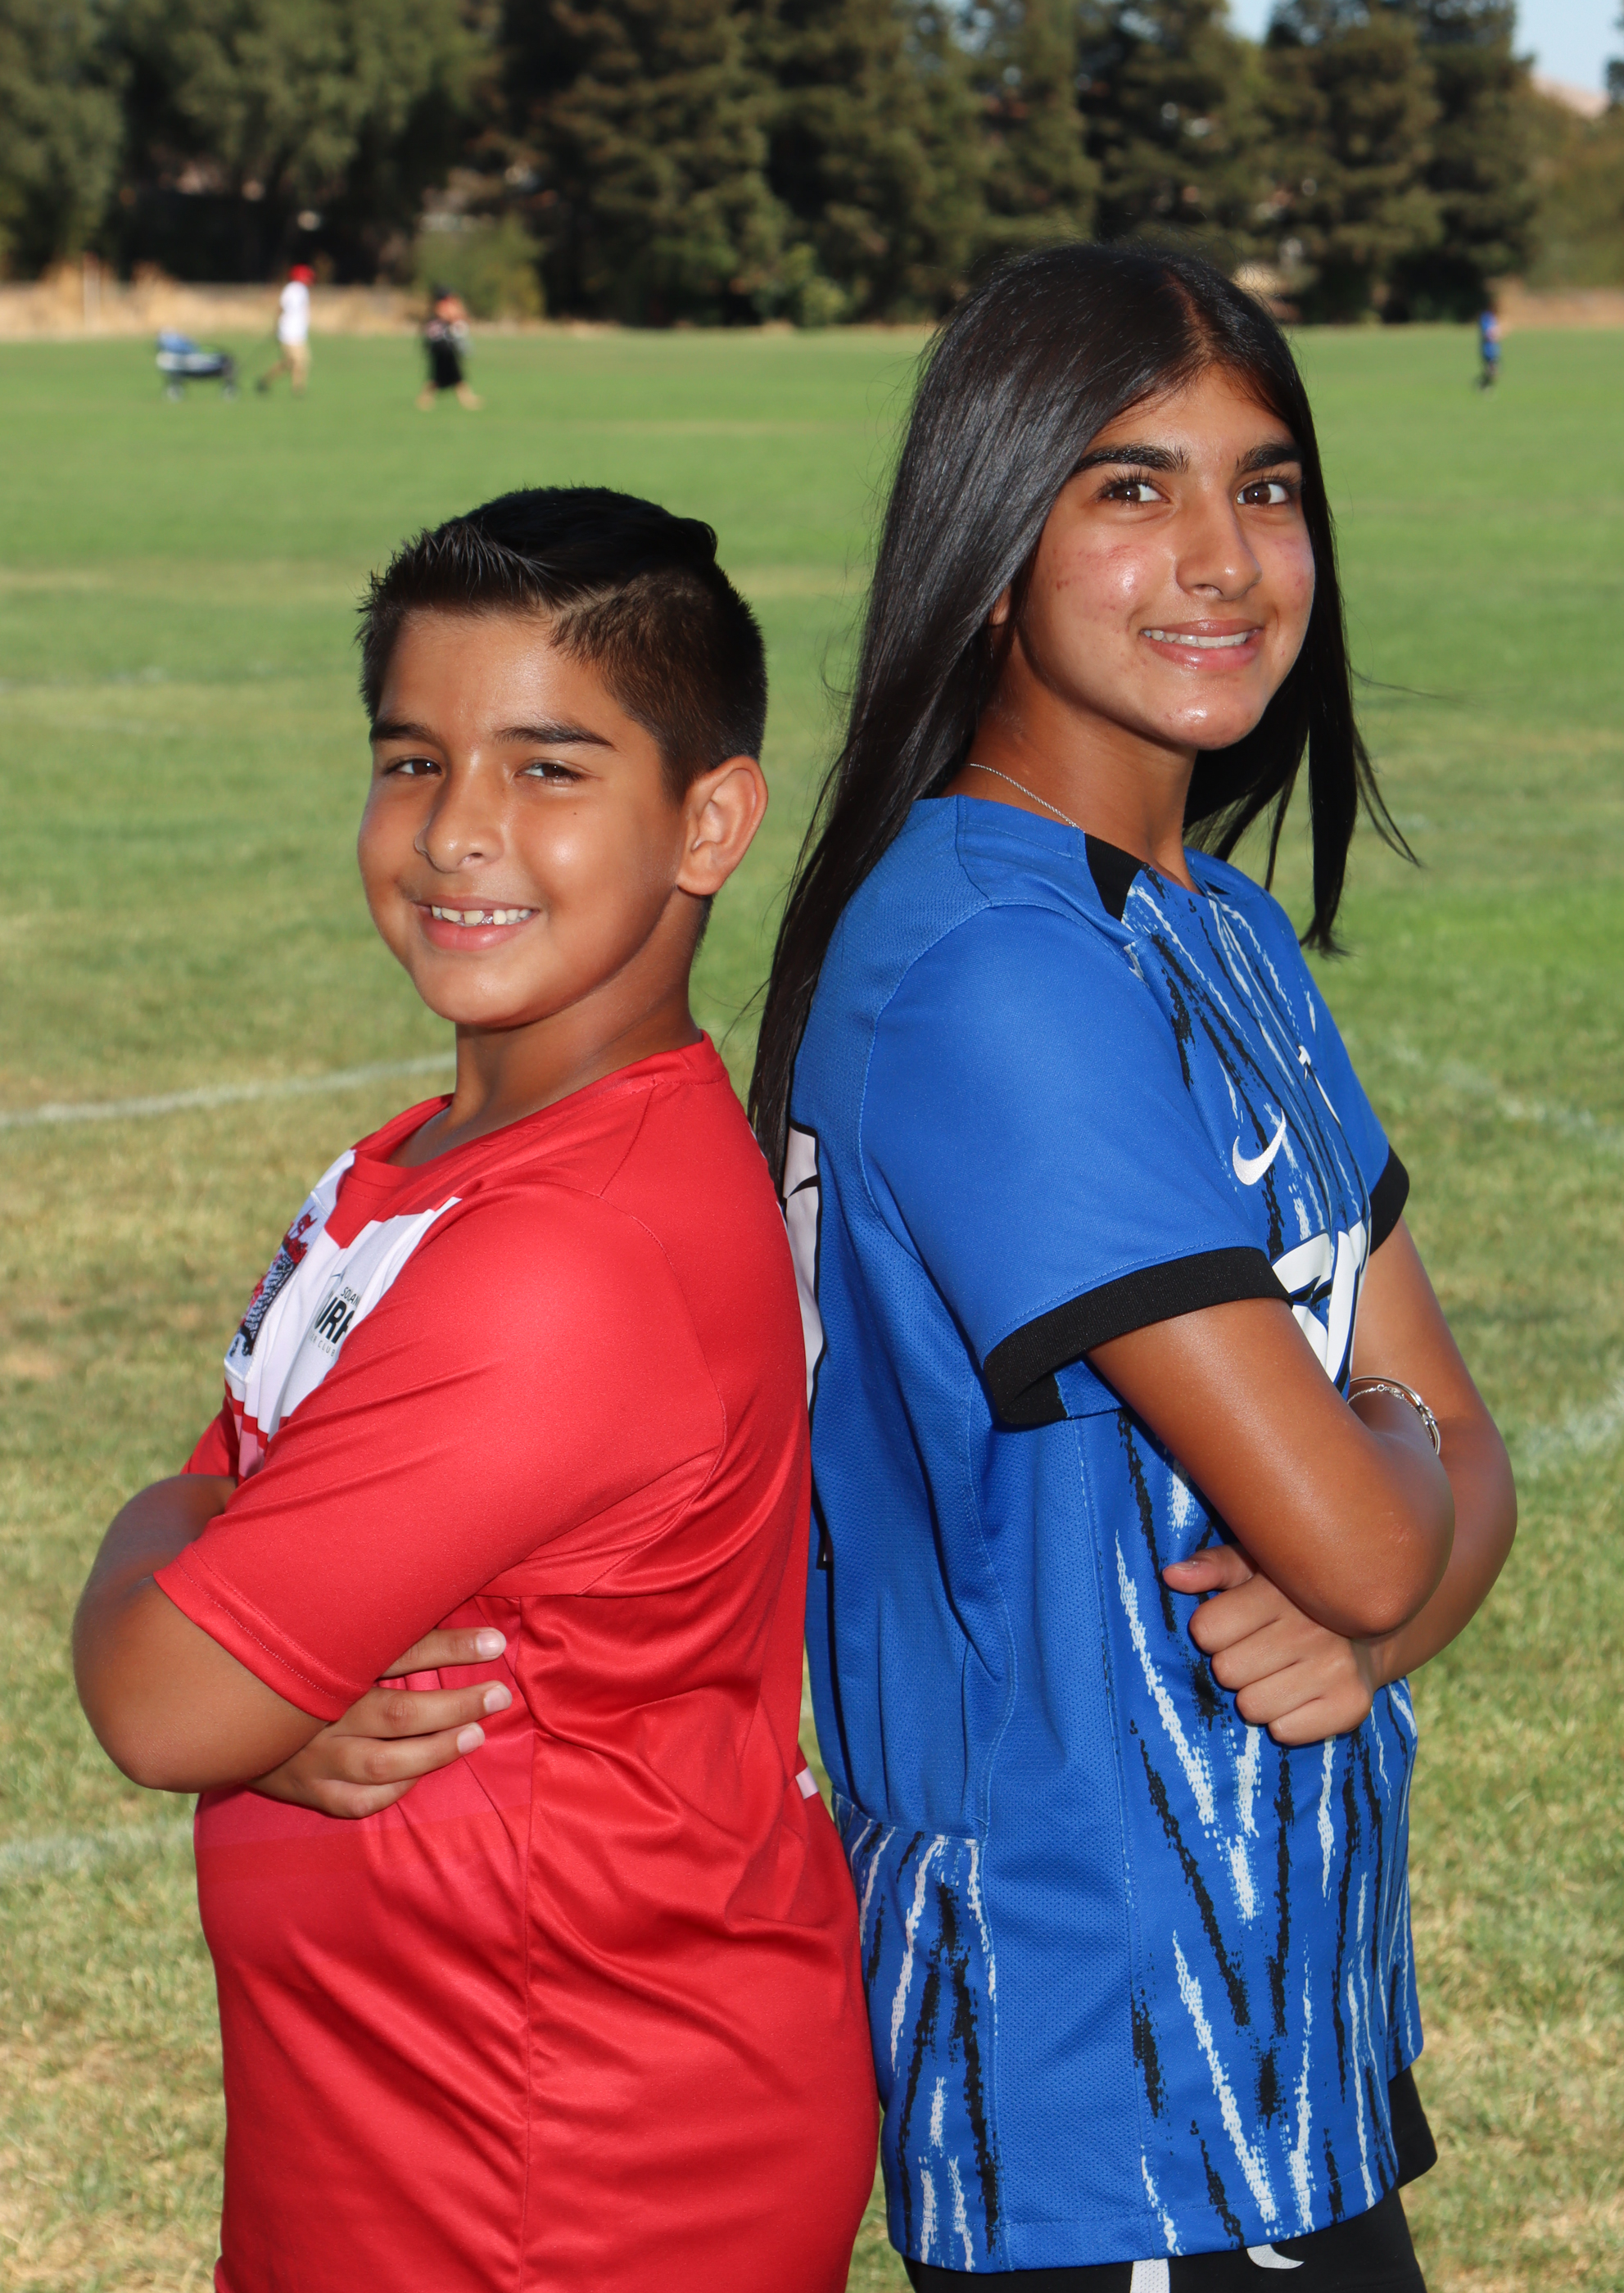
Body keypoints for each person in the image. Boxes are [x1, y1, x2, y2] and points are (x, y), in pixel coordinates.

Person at [749, 246, 1517, 2289]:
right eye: (1127, 487)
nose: (1221, 559)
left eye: (1265, 487)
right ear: (991, 544)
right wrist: (1387, 1502)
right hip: (1102, 2062)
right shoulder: (992, 966)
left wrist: (1378, 1592)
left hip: (1275, 2039)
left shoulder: (1208, 927)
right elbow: (1381, 1512)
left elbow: (1446, 1477)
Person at [73, 487, 880, 2293]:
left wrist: (178, 1585)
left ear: (710, 820)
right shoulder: (424, 1164)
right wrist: (218, 1603)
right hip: (408, 2107)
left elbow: (163, 1690)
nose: (457, 831)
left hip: (563, 2158)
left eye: (549, 768)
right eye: (412, 760)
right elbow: (223, 1540)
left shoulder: (570, 1252)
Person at [419, 284, 482, 411]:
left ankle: (426, 400)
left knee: (445, 374)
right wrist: (458, 309)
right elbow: (454, 318)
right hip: (443, 346)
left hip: (442, 346)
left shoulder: (435, 308)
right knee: (449, 374)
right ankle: (466, 400)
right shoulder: (442, 307)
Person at [256, 263, 313, 395]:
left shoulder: (303, 291)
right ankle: (298, 390)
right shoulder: (292, 290)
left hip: (298, 333)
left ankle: (265, 381)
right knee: (300, 361)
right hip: (289, 332)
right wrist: (277, 325)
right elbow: (281, 308)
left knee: (289, 363)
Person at [1477, 302, 1503, 390]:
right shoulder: (1485, 317)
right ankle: (1483, 385)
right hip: (1488, 350)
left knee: (1493, 371)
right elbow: (1487, 333)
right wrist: (1495, 333)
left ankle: (1484, 385)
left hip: (1494, 349)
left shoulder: (1493, 317)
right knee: (1493, 371)